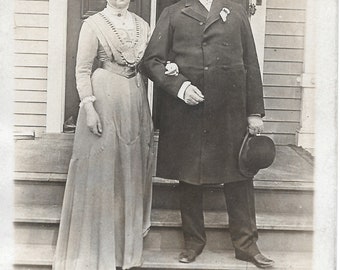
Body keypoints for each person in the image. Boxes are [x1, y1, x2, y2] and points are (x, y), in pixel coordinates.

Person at [141, 0, 274, 268]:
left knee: (239, 175)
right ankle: (193, 242)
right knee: (190, 176)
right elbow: (151, 61)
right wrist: (180, 87)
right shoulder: (174, 13)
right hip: (188, 110)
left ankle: (247, 244)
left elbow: (251, 62)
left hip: (230, 110)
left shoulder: (236, 12)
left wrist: (254, 112)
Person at [53, 0, 153, 269]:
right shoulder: (93, 24)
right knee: (103, 169)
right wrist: (88, 106)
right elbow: (83, 69)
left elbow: (150, 63)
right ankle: (97, 252)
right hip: (104, 97)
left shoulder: (142, 25)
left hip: (135, 97)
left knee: (129, 167)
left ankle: (124, 253)